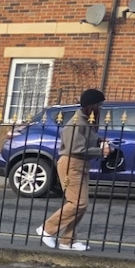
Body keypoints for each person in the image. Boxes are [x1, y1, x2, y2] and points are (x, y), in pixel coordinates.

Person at [37, 88, 112, 252]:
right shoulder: (77, 122)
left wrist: (101, 141)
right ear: (91, 105)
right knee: (78, 202)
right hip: (71, 163)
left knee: (81, 204)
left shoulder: (87, 121)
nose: (101, 108)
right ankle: (47, 229)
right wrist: (100, 151)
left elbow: (85, 140)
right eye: (99, 105)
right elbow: (74, 148)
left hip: (81, 164)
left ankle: (67, 241)